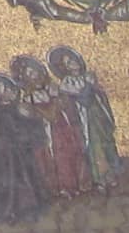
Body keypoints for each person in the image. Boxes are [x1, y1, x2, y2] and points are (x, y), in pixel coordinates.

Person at [17, 52, 88, 202]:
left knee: (70, 153)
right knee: (52, 158)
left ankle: (75, 185)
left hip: (62, 128)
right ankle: (60, 188)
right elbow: (29, 115)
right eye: (28, 73)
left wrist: (59, 103)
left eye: (34, 71)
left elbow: (65, 104)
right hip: (45, 131)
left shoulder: (53, 88)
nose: (33, 75)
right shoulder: (28, 98)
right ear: (25, 78)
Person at [0, 71, 48, 222]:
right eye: (5, 89)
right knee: (6, 181)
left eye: (11, 89)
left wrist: (30, 118)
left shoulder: (18, 107)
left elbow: (31, 126)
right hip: (3, 155)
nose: (11, 92)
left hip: (21, 152)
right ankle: (8, 208)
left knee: (26, 178)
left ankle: (28, 207)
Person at [49, 47, 120, 186]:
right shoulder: (67, 83)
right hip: (83, 119)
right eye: (68, 63)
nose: (73, 64)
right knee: (94, 146)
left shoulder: (87, 76)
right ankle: (99, 177)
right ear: (64, 67)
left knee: (106, 142)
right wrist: (88, 87)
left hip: (97, 115)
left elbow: (100, 96)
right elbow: (79, 99)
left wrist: (95, 88)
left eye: (74, 60)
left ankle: (111, 173)